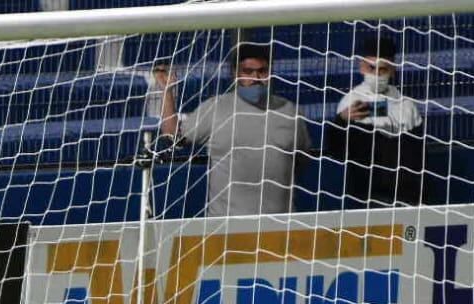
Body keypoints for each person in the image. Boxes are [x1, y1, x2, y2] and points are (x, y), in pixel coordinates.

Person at [156, 43, 316, 217]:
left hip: (280, 225)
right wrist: (167, 92)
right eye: (248, 71)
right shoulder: (216, 108)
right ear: (235, 74)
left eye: (262, 71)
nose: (255, 78)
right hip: (225, 226)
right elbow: (173, 137)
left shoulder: (289, 111)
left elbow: (301, 160)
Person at [329, 33, 427, 206]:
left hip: (405, 198)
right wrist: (341, 121)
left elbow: (417, 157)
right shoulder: (350, 103)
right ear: (362, 67)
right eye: (371, 68)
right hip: (364, 199)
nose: (376, 74)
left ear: (392, 70)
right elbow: (337, 151)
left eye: (383, 69)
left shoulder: (407, 106)